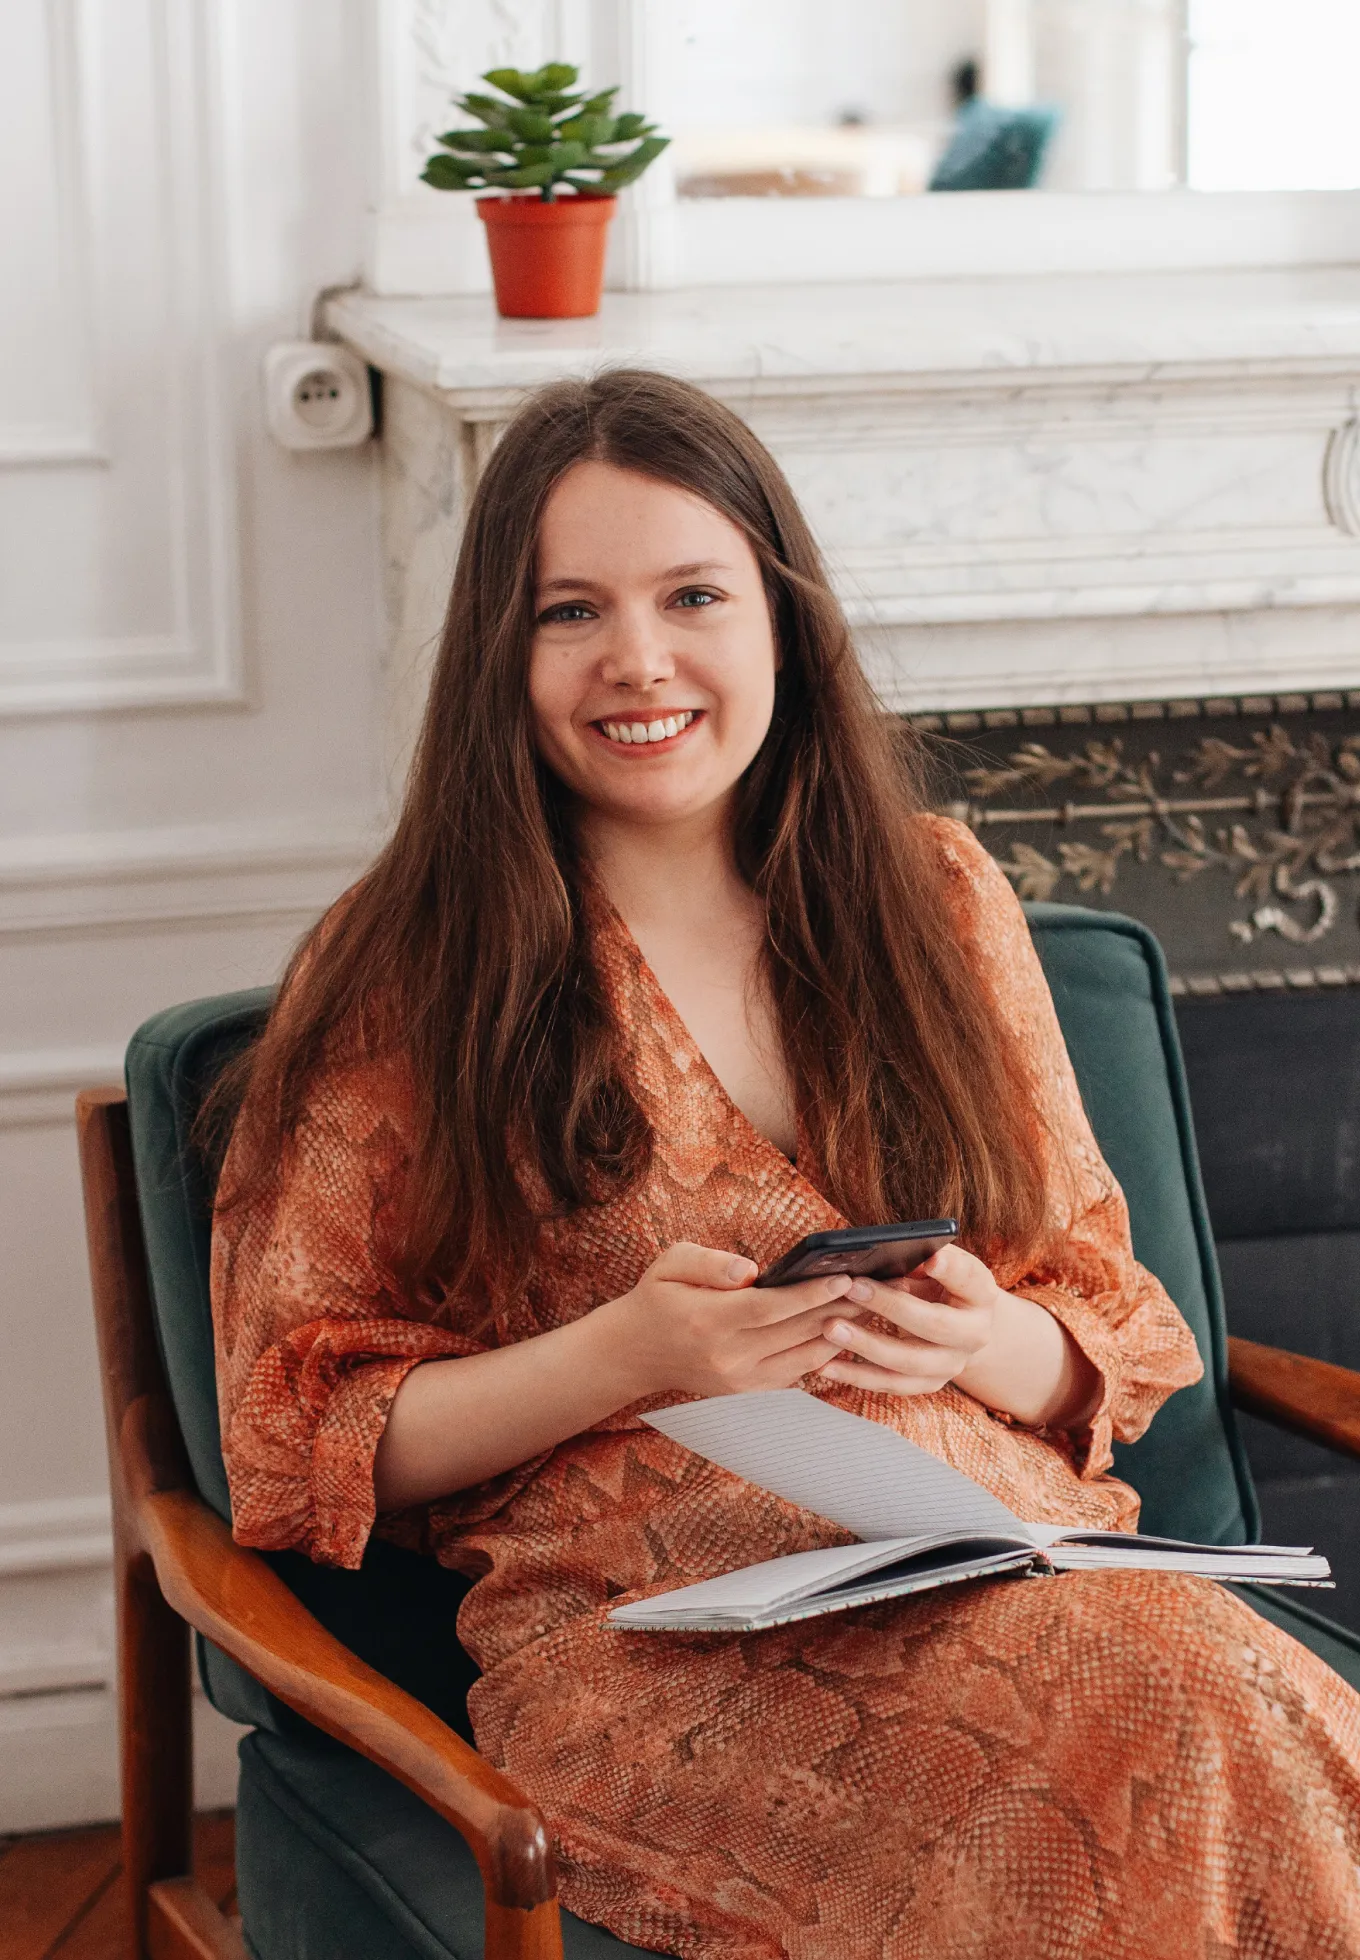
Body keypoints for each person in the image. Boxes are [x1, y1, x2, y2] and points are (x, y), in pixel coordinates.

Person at [211, 369, 1360, 1959]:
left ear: (779, 623)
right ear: (499, 652)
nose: (640, 660)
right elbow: (299, 1430)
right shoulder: (412, 965)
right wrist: (628, 1355)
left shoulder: (935, 897)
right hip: (664, 1648)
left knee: (1212, 1691)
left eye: (695, 594)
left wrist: (983, 1337)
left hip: (1013, 1561)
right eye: (568, 612)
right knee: (1182, 1702)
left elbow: (1102, 1310)